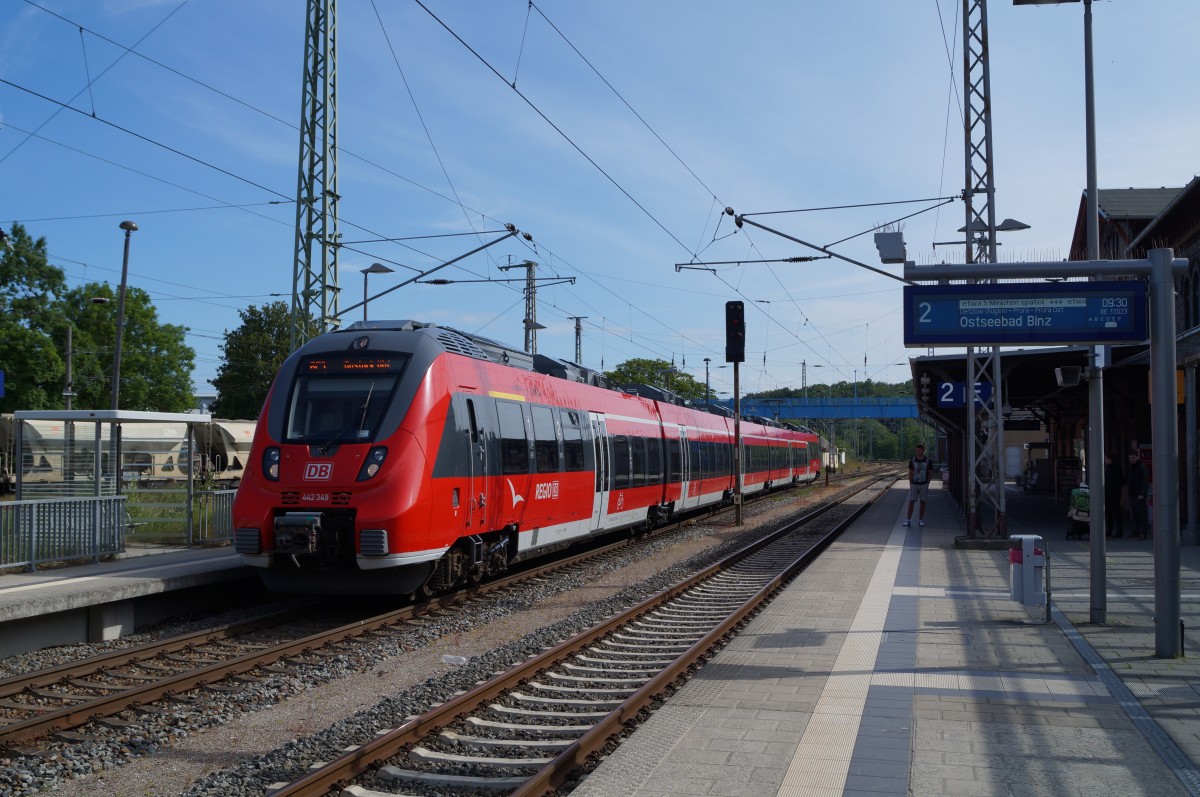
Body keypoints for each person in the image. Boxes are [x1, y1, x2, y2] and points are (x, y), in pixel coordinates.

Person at [904, 444, 931, 527]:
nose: (918, 452)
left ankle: (921, 520)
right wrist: (910, 483)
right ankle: (908, 520)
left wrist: (927, 483)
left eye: (919, 450)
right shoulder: (912, 460)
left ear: (923, 450)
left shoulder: (928, 460)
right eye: (917, 450)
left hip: (923, 484)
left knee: (922, 502)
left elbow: (930, 473)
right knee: (911, 501)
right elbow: (910, 472)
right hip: (914, 484)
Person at [1104, 453, 1125, 538]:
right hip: (1108, 493)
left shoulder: (1116, 469)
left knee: (1116, 512)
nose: (1105, 461)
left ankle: (1119, 531)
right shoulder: (1108, 468)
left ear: (1110, 459)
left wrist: (1113, 489)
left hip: (1114, 494)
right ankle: (1109, 530)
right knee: (1109, 513)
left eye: (1106, 459)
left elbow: (1121, 481)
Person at [1127, 452, 1147, 539]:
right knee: (1134, 514)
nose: (1132, 459)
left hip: (1139, 494)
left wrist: (1143, 493)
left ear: (1137, 457)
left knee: (1141, 514)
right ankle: (1136, 531)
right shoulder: (1131, 467)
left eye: (1133, 457)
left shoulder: (1142, 467)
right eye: (1130, 458)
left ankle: (1143, 532)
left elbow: (1145, 481)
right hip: (1132, 494)